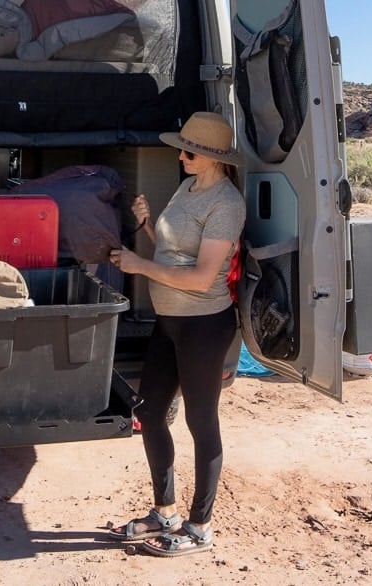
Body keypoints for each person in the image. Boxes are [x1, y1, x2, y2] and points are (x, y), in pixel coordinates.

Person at [106, 111, 245, 557]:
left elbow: (203, 277)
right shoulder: (188, 188)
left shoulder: (226, 204)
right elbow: (172, 251)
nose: (180, 155)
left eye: (188, 150)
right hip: (169, 324)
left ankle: (200, 526)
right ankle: (164, 512)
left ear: (211, 158)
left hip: (204, 325)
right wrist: (147, 225)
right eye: (182, 148)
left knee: (200, 423)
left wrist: (138, 265)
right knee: (148, 412)